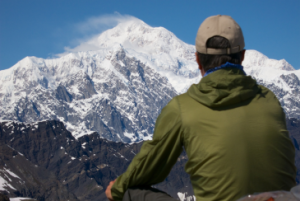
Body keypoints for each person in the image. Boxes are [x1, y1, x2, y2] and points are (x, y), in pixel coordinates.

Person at [106, 15, 296, 201]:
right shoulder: (270, 99)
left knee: (128, 192)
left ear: (197, 60)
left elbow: (148, 169)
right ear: (243, 56)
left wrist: (117, 189)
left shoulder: (183, 108)